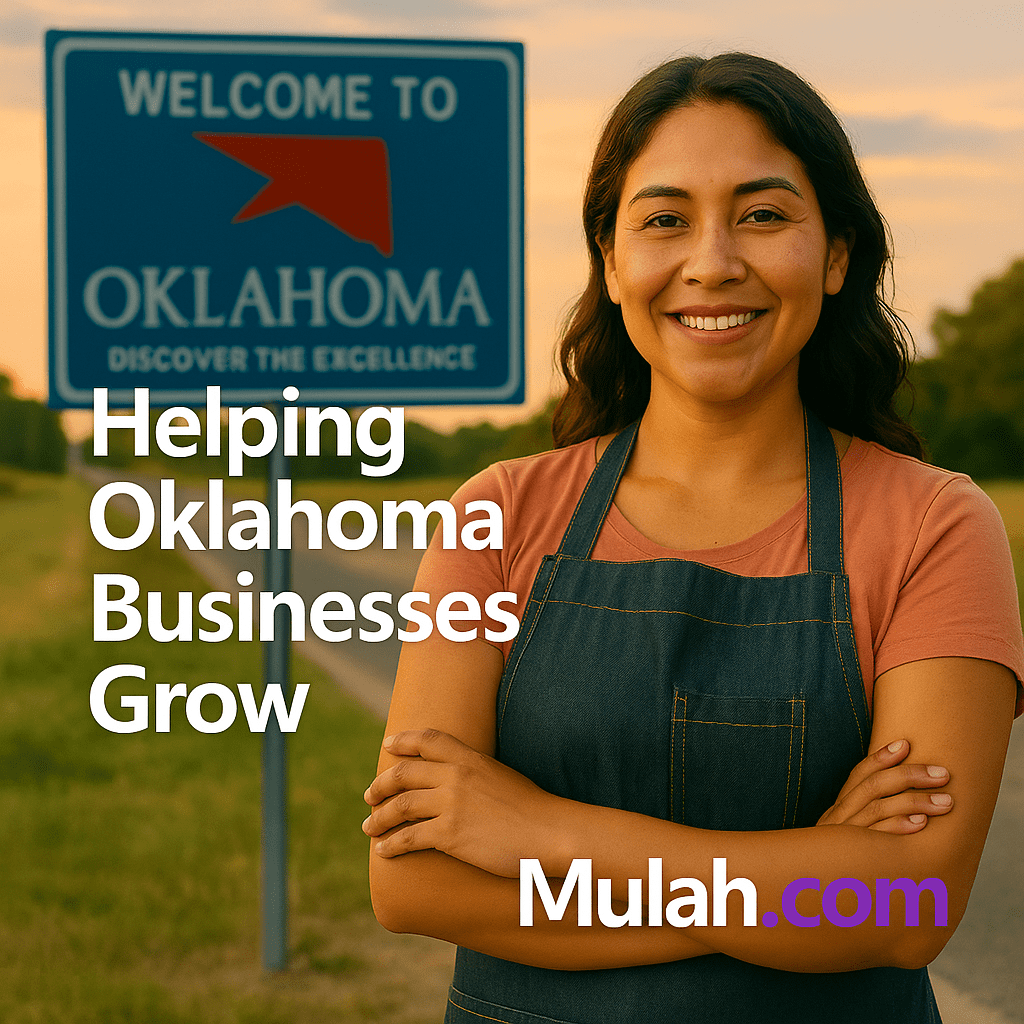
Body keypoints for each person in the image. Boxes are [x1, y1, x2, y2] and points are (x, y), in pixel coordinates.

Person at [362, 52, 1024, 1023]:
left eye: (761, 214)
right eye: (664, 219)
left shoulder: (935, 523)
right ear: (611, 260)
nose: (711, 260)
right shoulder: (496, 515)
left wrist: (533, 827)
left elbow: (903, 907)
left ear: (836, 253)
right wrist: (801, 884)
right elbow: (417, 884)